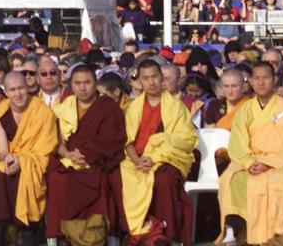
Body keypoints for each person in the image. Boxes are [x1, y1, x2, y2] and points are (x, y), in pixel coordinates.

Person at [217, 61, 283, 246]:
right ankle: (233, 229)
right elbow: (238, 143)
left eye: (266, 77)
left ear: (274, 80)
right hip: (250, 161)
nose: (261, 82)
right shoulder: (245, 110)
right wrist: (250, 162)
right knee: (232, 176)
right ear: (249, 81)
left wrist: (268, 163)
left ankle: (271, 234)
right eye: (256, 78)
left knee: (275, 181)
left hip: (280, 163)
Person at [0, 71, 58, 246]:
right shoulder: (1, 114)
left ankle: (1, 230)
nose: (18, 94)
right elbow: (2, 151)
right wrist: (9, 158)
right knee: (4, 171)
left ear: (28, 88)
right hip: (12, 162)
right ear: (6, 92)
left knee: (6, 176)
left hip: (38, 163)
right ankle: (21, 230)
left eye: (21, 88)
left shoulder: (42, 113)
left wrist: (22, 161)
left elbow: (45, 148)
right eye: (12, 90)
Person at [45, 64, 125, 246]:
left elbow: (113, 139)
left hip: (99, 162)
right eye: (78, 83)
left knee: (105, 179)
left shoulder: (107, 107)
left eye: (87, 82)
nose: (83, 87)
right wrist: (69, 154)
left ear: (95, 83)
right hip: (70, 160)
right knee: (57, 178)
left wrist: (90, 154)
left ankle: (97, 233)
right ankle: (62, 234)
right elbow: (56, 141)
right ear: (71, 86)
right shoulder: (64, 108)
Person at [119, 59, 196, 245]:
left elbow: (185, 140)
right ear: (140, 81)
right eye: (146, 78)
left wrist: (153, 157)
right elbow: (127, 141)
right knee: (116, 177)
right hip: (136, 160)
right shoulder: (133, 107)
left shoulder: (176, 107)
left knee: (164, 179)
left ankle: (164, 233)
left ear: (162, 78)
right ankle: (135, 231)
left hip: (166, 160)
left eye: (155, 77)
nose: (151, 82)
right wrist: (138, 160)